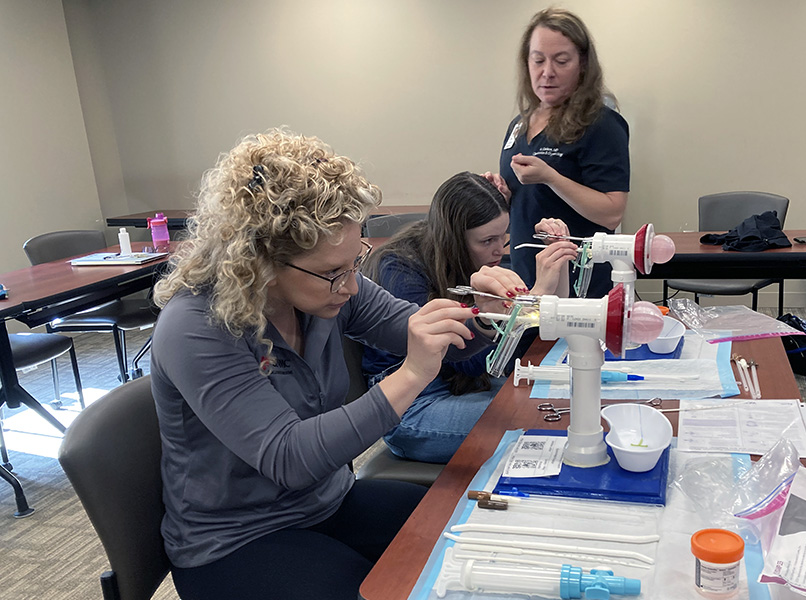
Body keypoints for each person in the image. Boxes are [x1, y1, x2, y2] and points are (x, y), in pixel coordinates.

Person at [150, 129, 525, 600]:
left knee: (466, 535)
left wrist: (484, 314)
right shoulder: (197, 326)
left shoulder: (327, 285)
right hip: (235, 540)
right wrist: (410, 376)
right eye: (333, 272)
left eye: (355, 262)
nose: (351, 286)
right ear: (259, 262)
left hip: (325, 502)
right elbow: (288, 457)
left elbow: (419, 332)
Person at [362, 172, 578, 463]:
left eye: (505, 236)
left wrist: (559, 260)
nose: (500, 250)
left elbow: (542, 335)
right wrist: (535, 297)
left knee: (568, 397)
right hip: (413, 407)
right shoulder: (398, 268)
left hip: (467, 384)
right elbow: (472, 361)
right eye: (488, 240)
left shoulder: (480, 256)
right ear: (453, 239)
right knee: (544, 417)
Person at [485, 7, 631, 298]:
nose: (547, 72)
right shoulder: (520, 124)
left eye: (561, 61)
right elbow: (527, 201)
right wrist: (501, 192)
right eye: (538, 60)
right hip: (527, 273)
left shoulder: (602, 124)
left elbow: (612, 212)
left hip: (581, 279)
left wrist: (551, 177)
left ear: (583, 65)